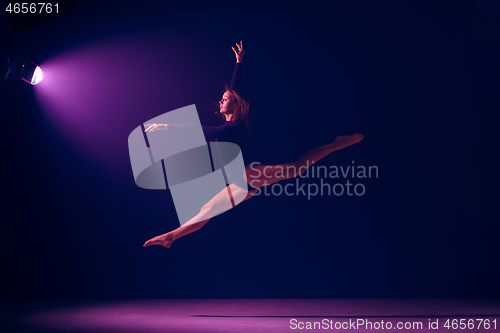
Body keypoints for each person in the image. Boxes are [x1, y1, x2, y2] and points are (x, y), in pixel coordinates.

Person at [143, 41, 364, 248]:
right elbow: (234, 88)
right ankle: (171, 236)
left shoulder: (233, 129)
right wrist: (239, 62)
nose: (220, 101)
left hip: (247, 175)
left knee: (297, 168)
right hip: (239, 184)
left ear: (236, 103)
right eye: (222, 98)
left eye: (225, 98)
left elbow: (203, 131)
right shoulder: (232, 124)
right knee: (207, 211)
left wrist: (168, 127)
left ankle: (338, 144)